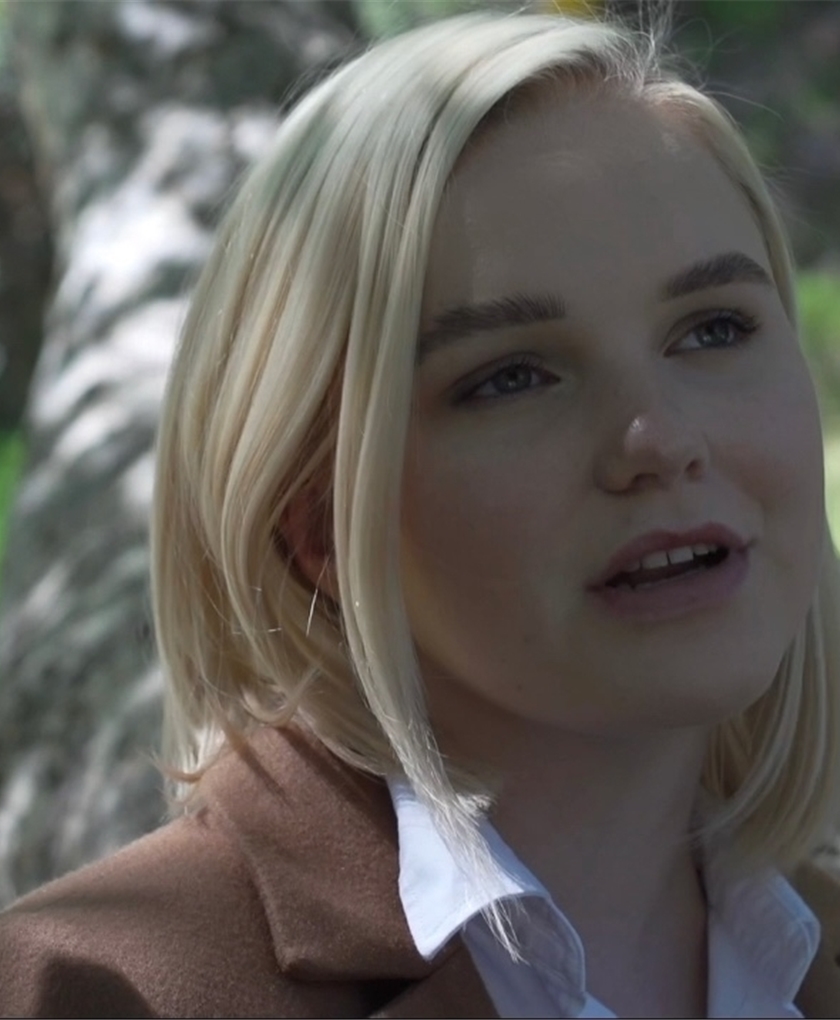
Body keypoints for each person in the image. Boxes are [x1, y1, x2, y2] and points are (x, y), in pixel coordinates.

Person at [3, 6, 840, 1018]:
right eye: (512, 377)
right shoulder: (84, 989)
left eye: (713, 329)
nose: (659, 437)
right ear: (314, 522)